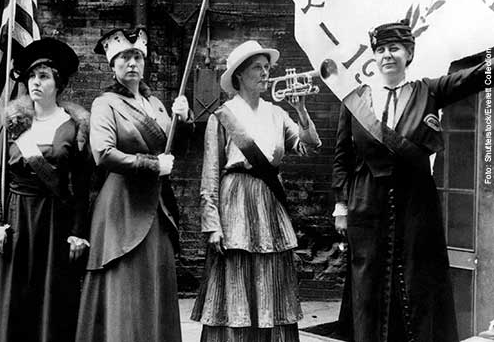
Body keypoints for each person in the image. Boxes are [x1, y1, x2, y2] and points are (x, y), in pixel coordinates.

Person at [331, 19, 488, 342]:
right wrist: (341, 204)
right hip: (367, 202)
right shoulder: (356, 100)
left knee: (416, 282)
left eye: (395, 48)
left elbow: (477, 77)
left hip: (416, 203)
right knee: (369, 283)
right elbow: (342, 156)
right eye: (381, 50)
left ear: (409, 54)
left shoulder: (428, 91)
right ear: (374, 57)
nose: (387, 55)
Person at [191, 40, 321, 342]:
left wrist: (301, 110)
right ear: (239, 75)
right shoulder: (221, 117)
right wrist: (212, 226)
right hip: (234, 202)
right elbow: (209, 174)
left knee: (271, 282)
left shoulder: (276, 113)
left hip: (268, 204)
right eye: (257, 68)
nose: (265, 74)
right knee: (235, 284)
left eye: (266, 68)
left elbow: (309, 147)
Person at [75, 27, 192, 342]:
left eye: (137, 56)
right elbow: (103, 153)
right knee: (125, 288)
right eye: (124, 57)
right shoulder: (105, 103)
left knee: (155, 284)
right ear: (112, 66)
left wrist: (184, 119)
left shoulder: (156, 104)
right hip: (121, 207)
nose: (132, 63)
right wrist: (152, 165)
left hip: (156, 208)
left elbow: (174, 148)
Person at [0, 38, 92, 342]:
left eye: (43, 76)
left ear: (58, 82)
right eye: (31, 76)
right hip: (16, 223)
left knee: (51, 303)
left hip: (55, 224)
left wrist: (79, 232)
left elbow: (82, 188)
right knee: (14, 302)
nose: (35, 83)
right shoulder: (14, 125)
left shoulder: (74, 128)